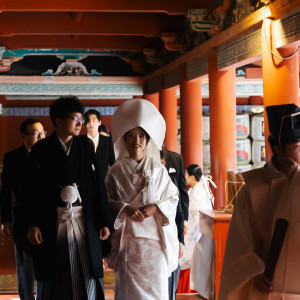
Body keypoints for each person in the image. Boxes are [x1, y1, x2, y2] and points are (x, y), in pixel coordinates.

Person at [26, 96, 112, 300]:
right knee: (54, 276)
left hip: (84, 220)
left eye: (81, 118)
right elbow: (30, 191)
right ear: (57, 121)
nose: (80, 123)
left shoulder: (86, 147)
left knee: (87, 275)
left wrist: (104, 221)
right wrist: (31, 223)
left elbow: (98, 186)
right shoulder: (41, 149)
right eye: (75, 118)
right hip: (51, 220)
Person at [219, 103, 300, 300]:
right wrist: (252, 273)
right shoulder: (252, 184)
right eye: (298, 146)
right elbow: (240, 240)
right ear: (278, 148)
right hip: (265, 286)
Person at [105, 99, 179, 300]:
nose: (136, 140)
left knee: (156, 289)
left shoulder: (158, 169)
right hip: (129, 239)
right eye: (131, 135)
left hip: (155, 240)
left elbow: (173, 196)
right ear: (124, 139)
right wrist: (125, 209)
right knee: (130, 291)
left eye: (140, 136)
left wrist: (156, 207)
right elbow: (108, 201)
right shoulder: (115, 171)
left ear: (147, 140)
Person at [0, 118, 46, 300]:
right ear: (23, 136)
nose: (41, 137)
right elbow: (5, 192)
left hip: (46, 218)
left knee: (45, 265)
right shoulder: (13, 157)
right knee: (25, 266)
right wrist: (5, 219)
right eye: (36, 133)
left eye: (43, 133)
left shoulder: (51, 155)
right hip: (22, 218)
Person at [160, 145, 189, 300]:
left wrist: (184, 219)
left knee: (173, 267)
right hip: (152, 226)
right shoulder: (143, 159)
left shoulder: (175, 158)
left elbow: (182, 193)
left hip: (173, 220)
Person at [83, 109, 115, 179]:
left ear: (99, 122)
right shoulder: (80, 141)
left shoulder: (108, 141)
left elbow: (112, 163)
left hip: (104, 182)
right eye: (88, 120)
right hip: (85, 181)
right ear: (85, 123)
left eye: (94, 120)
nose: (91, 123)